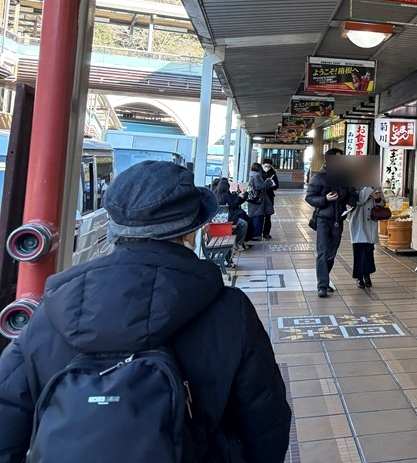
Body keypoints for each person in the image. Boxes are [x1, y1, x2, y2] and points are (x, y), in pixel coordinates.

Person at [0, 161, 290, 463]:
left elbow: (7, 419)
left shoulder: (53, 312)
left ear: (114, 230)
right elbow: (266, 421)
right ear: (190, 233)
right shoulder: (230, 311)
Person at [305, 149, 356, 298]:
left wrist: (350, 204)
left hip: (338, 220)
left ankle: (324, 279)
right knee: (322, 252)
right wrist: (325, 199)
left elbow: (353, 194)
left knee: (331, 253)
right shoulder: (319, 178)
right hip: (323, 219)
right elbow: (310, 197)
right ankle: (322, 285)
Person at [348, 186, 383, 289]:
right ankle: (359, 277)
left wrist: (378, 199)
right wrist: (368, 188)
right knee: (359, 250)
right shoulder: (353, 184)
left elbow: (382, 203)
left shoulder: (376, 185)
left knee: (369, 250)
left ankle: (367, 275)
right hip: (358, 220)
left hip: (370, 220)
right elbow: (359, 200)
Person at [216, 177, 252, 251]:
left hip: (216, 219)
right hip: (227, 217)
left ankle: (236, 243)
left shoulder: (215, 195)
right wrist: (239, 197)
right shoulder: (225, 195)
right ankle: (239, 244)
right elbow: (233, 205)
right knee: (244, 224)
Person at [246, 162, 275, 242]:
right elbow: (260, 186)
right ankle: (256, 235)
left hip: (253, 200)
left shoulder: (251, 175)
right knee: (258, 217)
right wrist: (268, 182)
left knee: (254, 216)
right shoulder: (257, 176)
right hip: (258, 201)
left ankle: (254, 234)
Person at [260, 158, 280, 240]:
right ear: (262, 165)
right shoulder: (259, 173)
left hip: (269, 196)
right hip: (260, 196)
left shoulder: (273, 174)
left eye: (268, 166)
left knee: (268, 215)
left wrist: (273, 185)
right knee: (260, 214)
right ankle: (258, 231)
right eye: (265, 166)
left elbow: (277, 186)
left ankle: (266, 232)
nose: (267, 168)